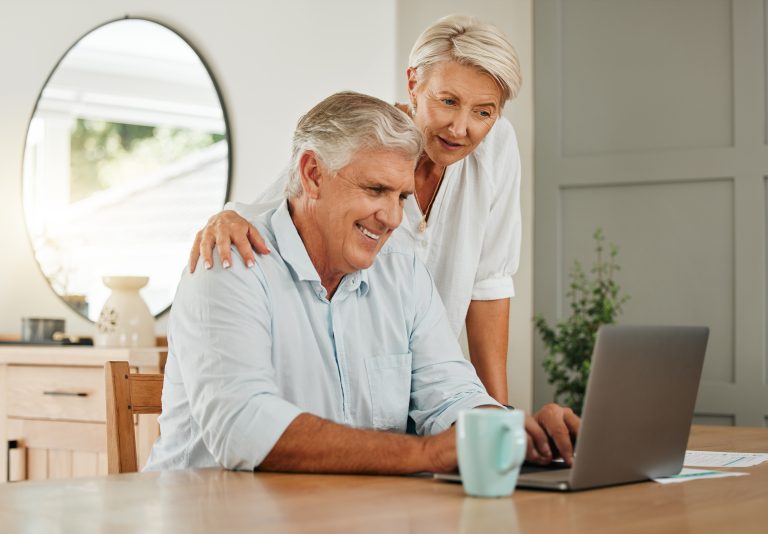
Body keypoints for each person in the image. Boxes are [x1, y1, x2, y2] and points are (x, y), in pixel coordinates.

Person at [145, 92, 578, 474]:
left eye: (402, 197)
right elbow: (243, 429)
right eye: (375, 190)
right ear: (312, 173)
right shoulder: (229, 263)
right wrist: (424, 454)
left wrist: (507, 428)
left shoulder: (403, 272)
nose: (392, 218)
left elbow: (450, 395)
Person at [188, 15, 522, 406]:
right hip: (367, 389)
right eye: (448, 101)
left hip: (436, 388)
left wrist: (502, 423)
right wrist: (226, 218)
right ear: (414, 83)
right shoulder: (370, 140)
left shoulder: (497, 147)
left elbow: (489, 282)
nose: (461, 128)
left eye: (484, 112)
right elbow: (284, 202)